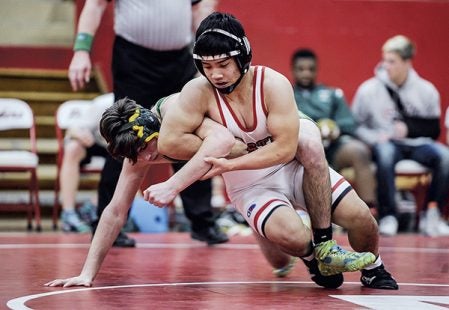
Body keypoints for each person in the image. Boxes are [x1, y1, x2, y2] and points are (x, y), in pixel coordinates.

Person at [45, 95, 397, 290]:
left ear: (155, 127)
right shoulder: (140, 147)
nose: (148, 158)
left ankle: (373, 268)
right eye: (139, 155)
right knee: (282, 255)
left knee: (361, 220)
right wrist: (87, 272)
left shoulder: (178, 112)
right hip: (248, 178)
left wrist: (172, 185)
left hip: (281, 156)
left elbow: (222, 141)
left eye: (148, 148)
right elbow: (114, 211)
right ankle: (302, 251)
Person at [67, 0, 227, 246]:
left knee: (191, 133)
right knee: (126, 139)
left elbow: (200, 10)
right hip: (134, 60)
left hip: (179, 60)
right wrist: (81, 50)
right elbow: (95, 4)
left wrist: (205, 54)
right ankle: (110, 226)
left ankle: (202, 222)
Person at [352, 34, 449, 237]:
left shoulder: (426, 90)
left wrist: (409, 129)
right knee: (385, 154)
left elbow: (434, 130)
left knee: (445, 157)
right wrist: (374, 138)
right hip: (386, 143)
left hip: (418, 144)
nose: (385, 65)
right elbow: (356, 125)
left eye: (392, 61)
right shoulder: (368, 90)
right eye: (384, 60)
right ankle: (388, 215)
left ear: (407, 62)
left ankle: (432, 214)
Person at [291, 48, 377, 212]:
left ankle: (369, 210)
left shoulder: (332, 94)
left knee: (358, 151)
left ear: (316, 70)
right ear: (293, 70)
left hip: (332, 147)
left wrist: (334, 128)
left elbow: (349, 123)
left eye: (311, 69)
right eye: (301, 69)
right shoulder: (285, 94)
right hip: (299, 150)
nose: (306, 74)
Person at [59, 94, 111, 233]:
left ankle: (94, 206)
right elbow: (72, 130)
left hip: (121, 148)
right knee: (72, 148)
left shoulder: (144, 104)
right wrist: (81, 135)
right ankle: (68, 213)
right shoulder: (103, 103)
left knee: (130, 157)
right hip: (96, 143)